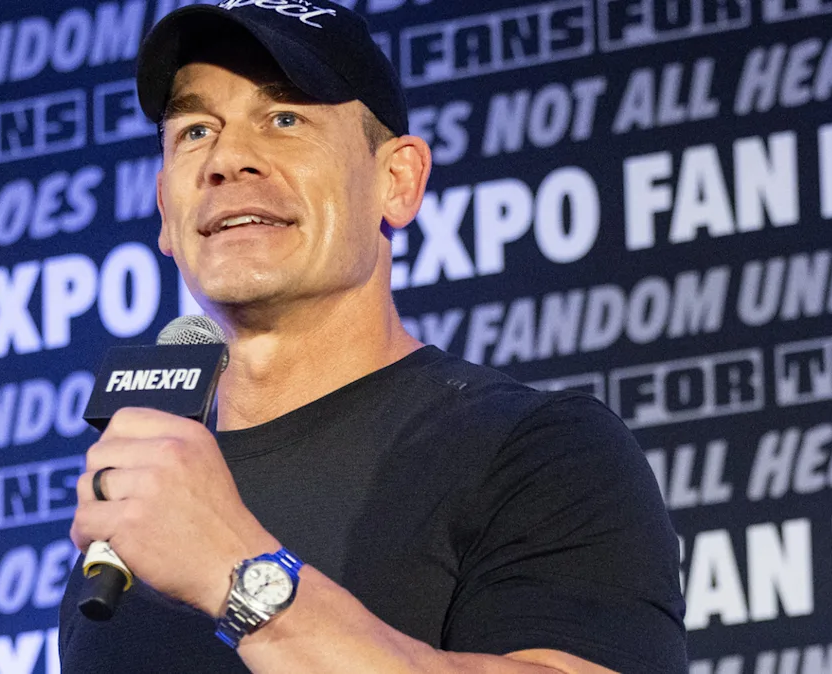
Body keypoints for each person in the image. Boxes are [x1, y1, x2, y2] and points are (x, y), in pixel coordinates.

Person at [59, 1, 687, 672]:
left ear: (397, 181)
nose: (227, 159)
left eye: (285, 119)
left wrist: (239, 574)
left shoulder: (536, 451)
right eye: (195, 130)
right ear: (165, 208)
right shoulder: (132, 519)